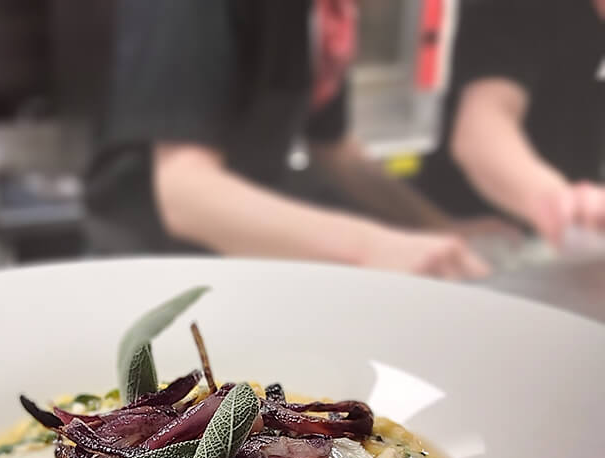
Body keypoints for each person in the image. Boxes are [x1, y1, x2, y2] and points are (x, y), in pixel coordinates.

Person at [86, 0, 491, 279]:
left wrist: (440, 229)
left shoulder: (327, 15)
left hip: (243, 260)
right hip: (156, 269)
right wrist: (372, 247)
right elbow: (186, 194)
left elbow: (335, 151)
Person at [416, 0, 605, 245]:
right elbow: (482, 131)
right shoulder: (519, 8)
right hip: (481, 235)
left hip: (571, 244)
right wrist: (563, 205)